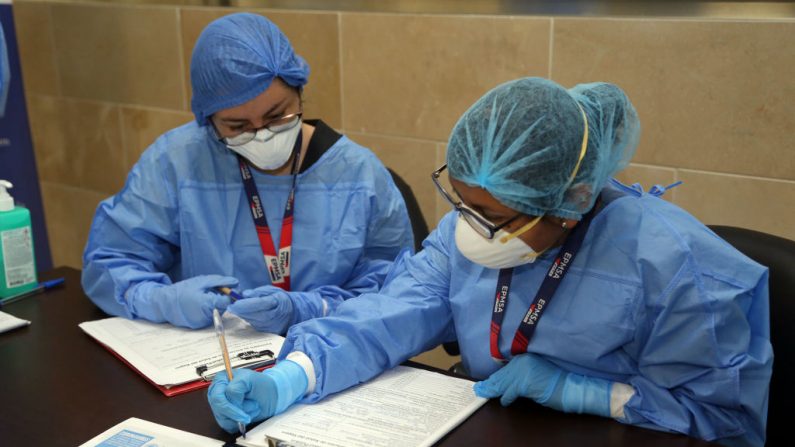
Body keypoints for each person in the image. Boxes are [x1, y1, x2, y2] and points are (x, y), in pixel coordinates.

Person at [207, 78, 772, 446]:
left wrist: (591, 393)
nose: (466, 226)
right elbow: (387, 316)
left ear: (569, 204)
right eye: (460, 203)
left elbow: (726, 423)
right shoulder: (467, 236)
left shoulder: (681, 269)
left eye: (490, 214)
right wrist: (290, 377)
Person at [81, 13, 414, 332]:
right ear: (207, 119)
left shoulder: (358, 176)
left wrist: (309, 309)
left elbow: (393, 295)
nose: (261, 134)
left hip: (326, 359)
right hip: (208, 358)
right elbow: (111, 263)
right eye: (237, 126)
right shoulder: (176, 162)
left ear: (299, 90)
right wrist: (165, 300)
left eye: (276, 116)